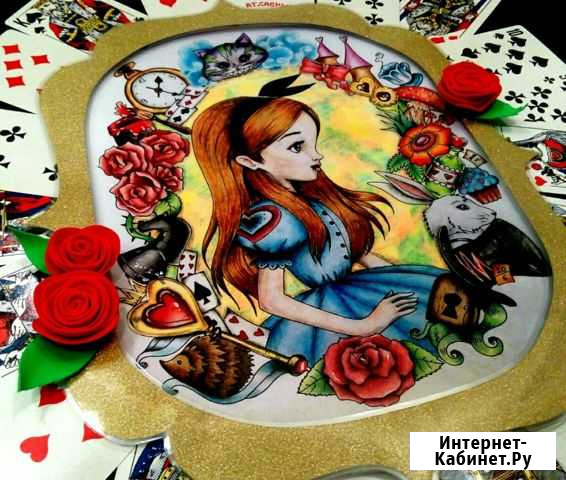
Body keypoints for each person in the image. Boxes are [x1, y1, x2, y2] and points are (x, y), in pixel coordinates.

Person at [191, 77, 444, 365]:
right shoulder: (272, 220)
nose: (317, 155)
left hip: (364, 288)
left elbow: (358, 253)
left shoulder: (314, 196)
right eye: (297, 147)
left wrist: (401, 281)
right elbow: (272, 300)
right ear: (251, 162)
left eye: (313, 143)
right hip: (337, 313)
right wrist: (365, 326)